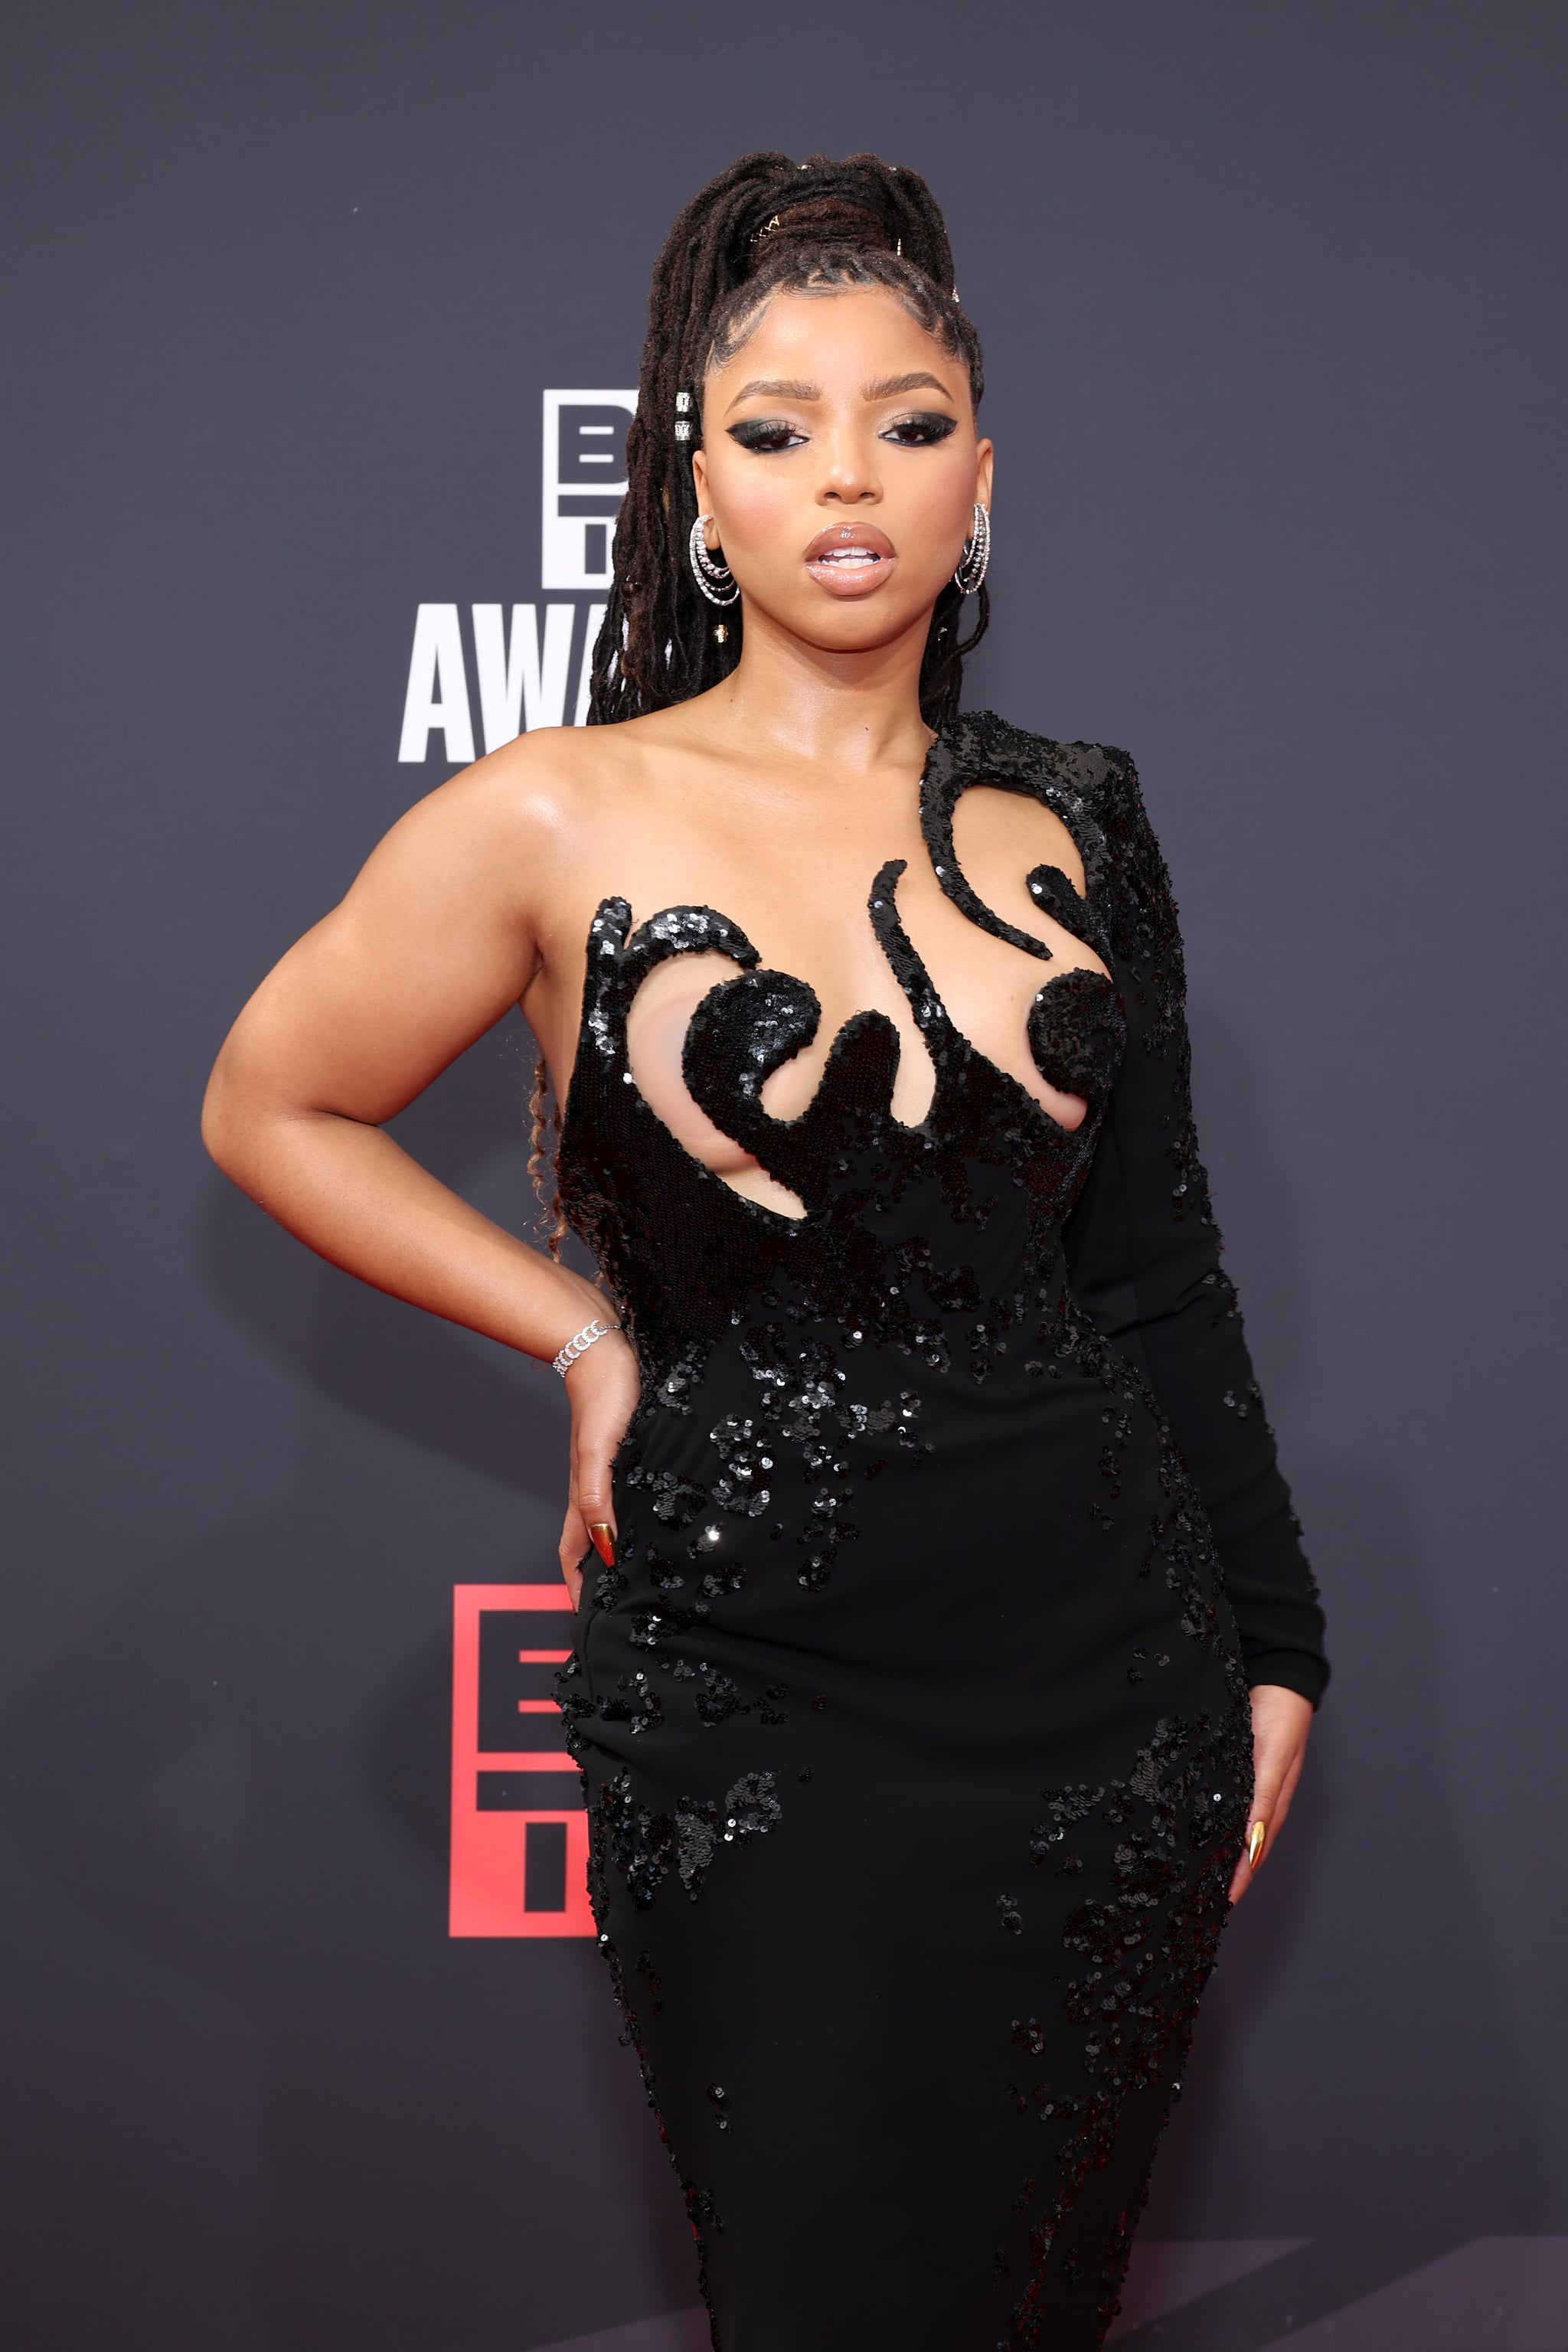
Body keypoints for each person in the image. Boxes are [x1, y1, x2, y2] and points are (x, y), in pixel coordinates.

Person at [204, 151, 1327, 2352]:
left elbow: (1159, 1274)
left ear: (979, 480)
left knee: (1031, 2304)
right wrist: (579, 1335)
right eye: (782, 426)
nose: (852, 479)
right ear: (695, 487)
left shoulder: (1077, 812)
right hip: (748, 1693)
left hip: (1112, 1682)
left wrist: (1275, 1640)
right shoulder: (554, 812)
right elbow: (269, 1100)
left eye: (910, 425)